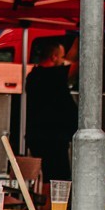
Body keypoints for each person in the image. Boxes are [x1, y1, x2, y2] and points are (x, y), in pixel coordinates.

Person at [24, 36, 77, 186]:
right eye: (61, 57)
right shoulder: (52, 75)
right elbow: (75, 65)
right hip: (53, 138)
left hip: (39, 136)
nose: (63, 60)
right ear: (54, 57)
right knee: (57, 179)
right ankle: (51, 201)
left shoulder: (34, 75)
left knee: (48, 177)